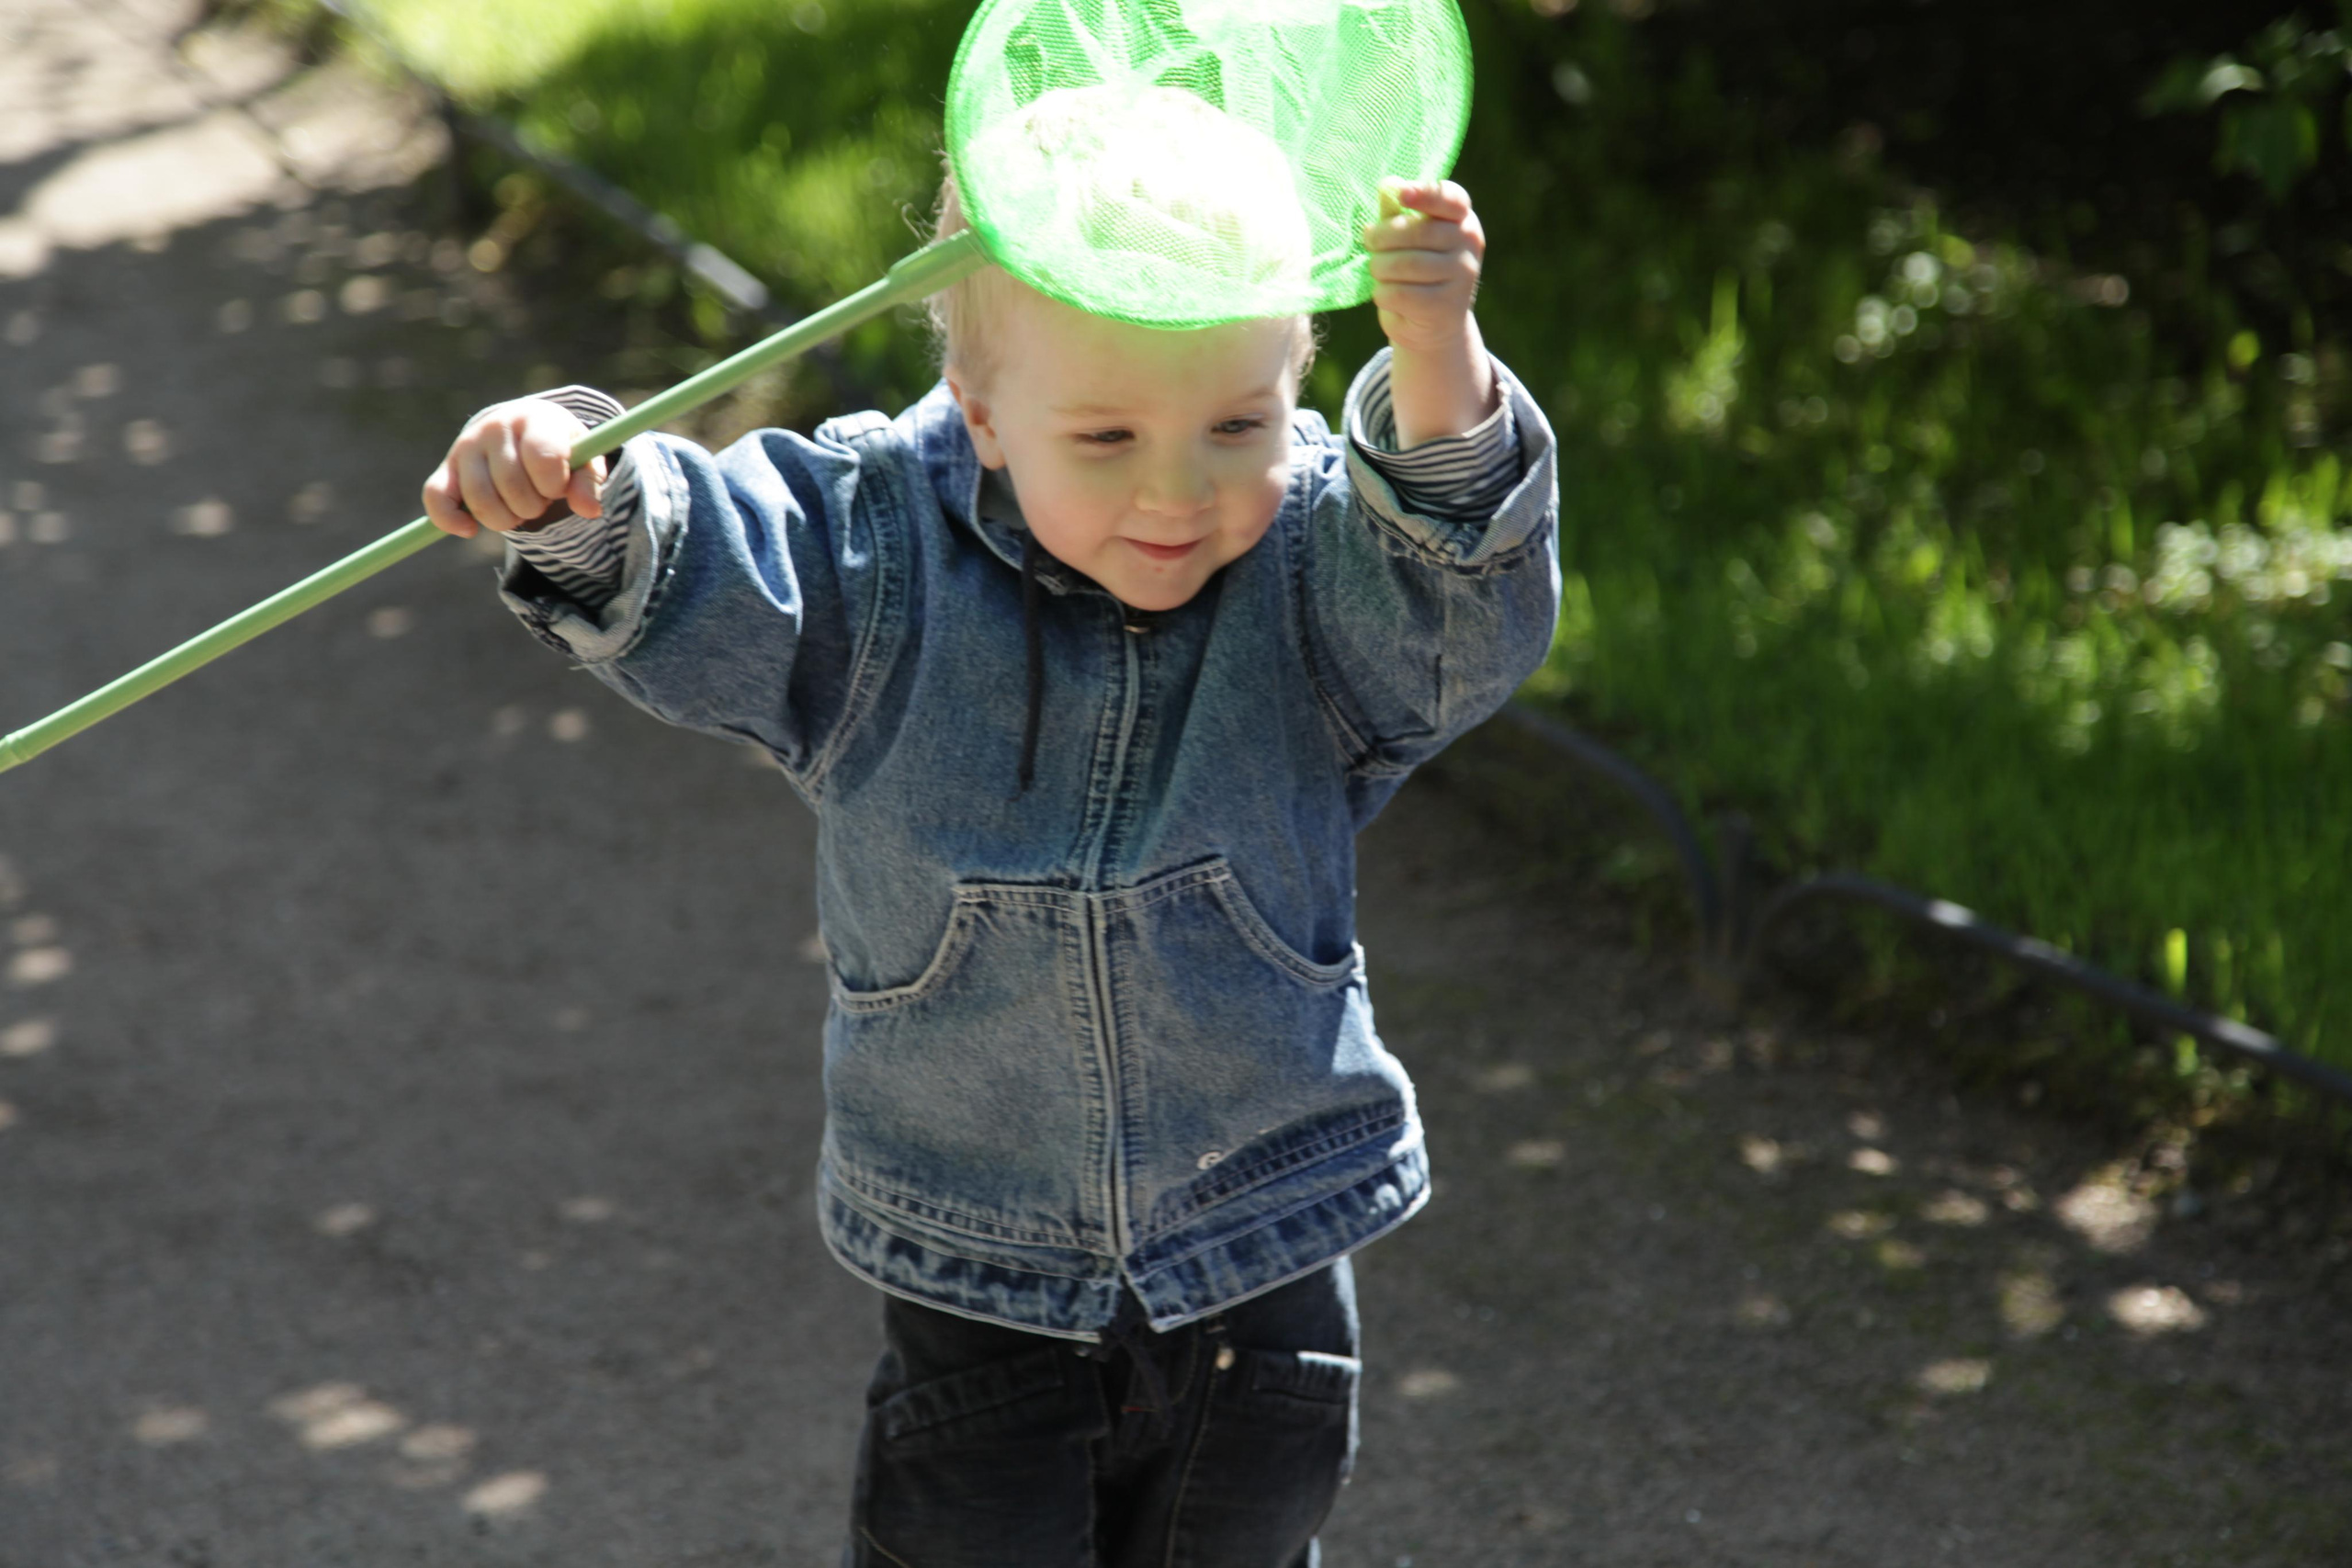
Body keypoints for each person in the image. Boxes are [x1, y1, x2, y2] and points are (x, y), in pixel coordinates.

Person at [420, 154, 1559, 1565]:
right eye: (1104, 439)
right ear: (984, 413)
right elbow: (708, 563)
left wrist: (1437, 351)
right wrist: (567, 487)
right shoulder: (874, 543)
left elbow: (1459, 610)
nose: (1177, 490)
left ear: (1295, 381)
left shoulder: (1322, 567)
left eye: (1236, 421)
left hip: (1263, 1258)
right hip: (979, 1267)